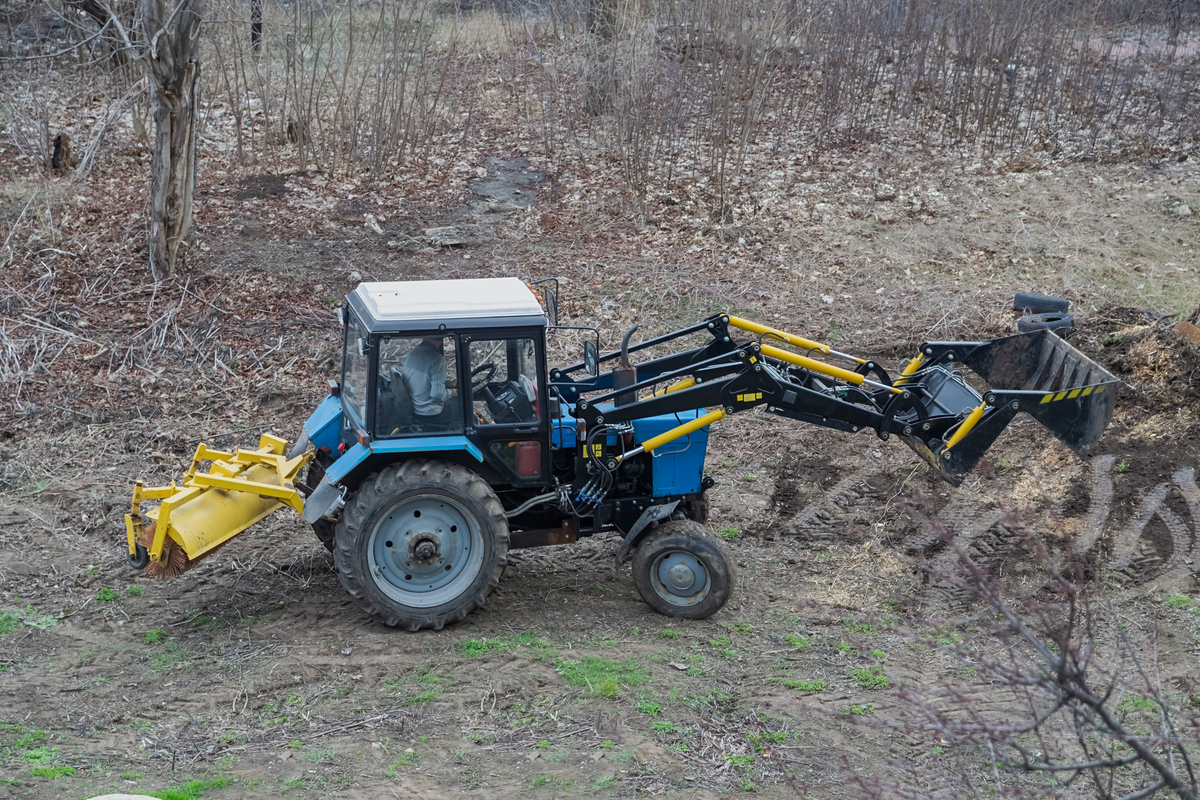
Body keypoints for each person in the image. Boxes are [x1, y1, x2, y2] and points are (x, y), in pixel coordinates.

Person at [403, 337, 459, 430]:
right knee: (466, 414)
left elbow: (422, 381)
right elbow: (437, 394)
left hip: (415, 408)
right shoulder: (437, 360)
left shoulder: (412, 354)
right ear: (442, 339)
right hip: (429, 414)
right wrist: (452, 392)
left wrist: (449, 384)